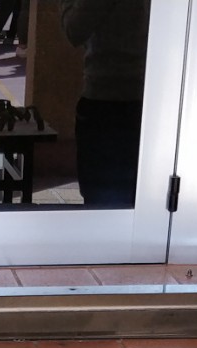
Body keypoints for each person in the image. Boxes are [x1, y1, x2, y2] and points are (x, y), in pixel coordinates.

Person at [60, 0, 150, 207]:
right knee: (139, 197)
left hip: (106, 101)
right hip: (147, 96)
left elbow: (75, 29)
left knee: (100, 198)